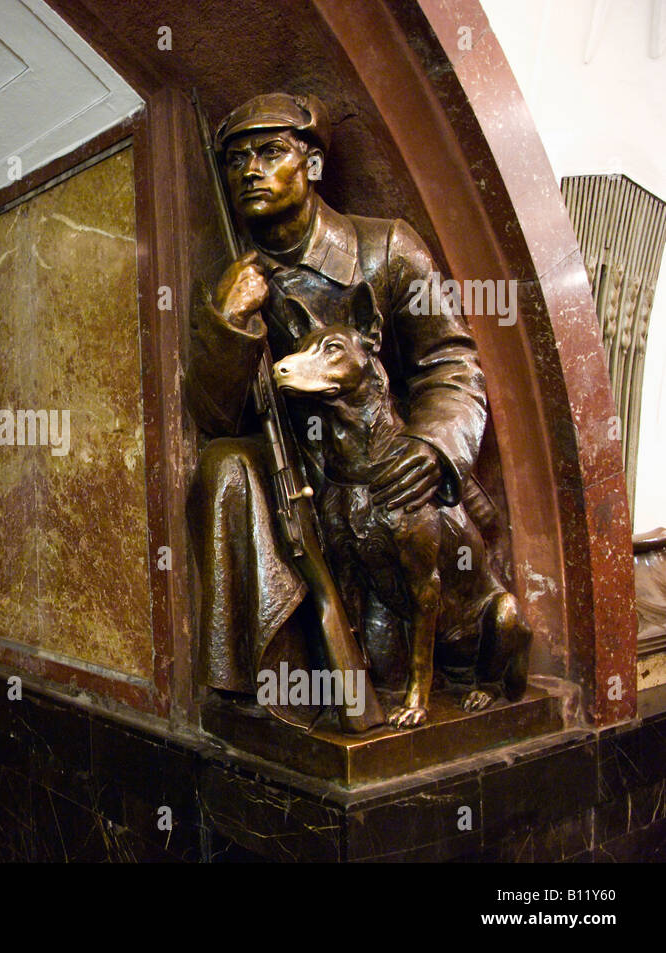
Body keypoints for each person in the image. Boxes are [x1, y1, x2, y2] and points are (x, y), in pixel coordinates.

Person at [186, 92, 489, 707]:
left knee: (387, 658)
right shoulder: (230, 281)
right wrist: (230, 322)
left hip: (383, 477)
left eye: (270, 152)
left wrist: (432, 447)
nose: (249, 170)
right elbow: (219, 420)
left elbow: (450, 362)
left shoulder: (387, 249)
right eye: (236, 159)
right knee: (222, 468)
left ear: (314, 165)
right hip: (298, 473)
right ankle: (258, 691)